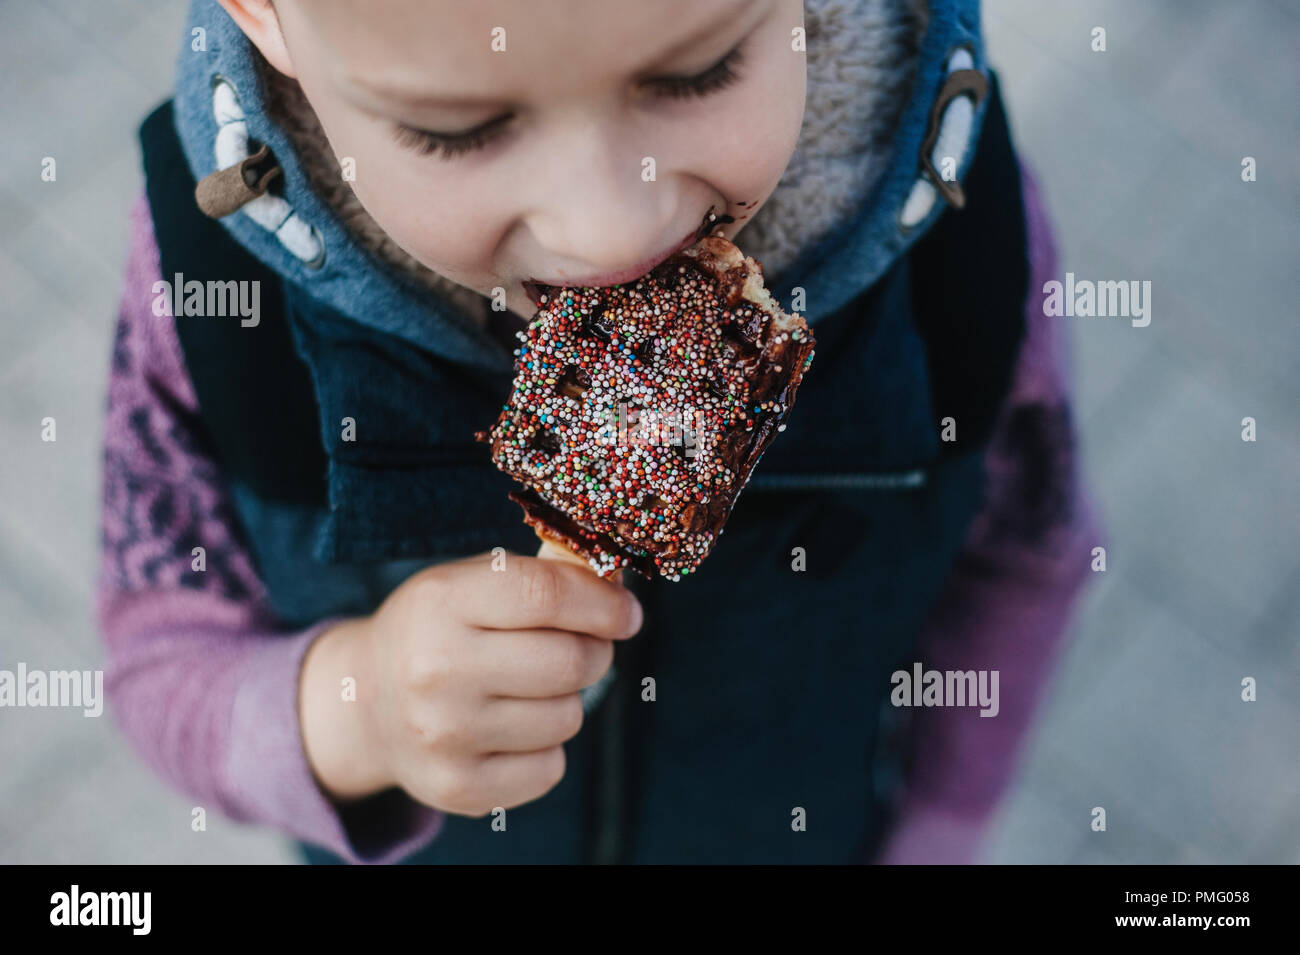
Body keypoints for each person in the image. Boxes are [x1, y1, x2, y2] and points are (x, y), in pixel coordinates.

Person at [96, 0, 1103, 864]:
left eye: (701, 71)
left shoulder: (957, 244)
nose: (611, 227)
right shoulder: (211, 289)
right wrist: (356, 711)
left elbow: (1027, 560)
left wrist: (936, 830)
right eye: (461, 131)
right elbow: (159, 657)